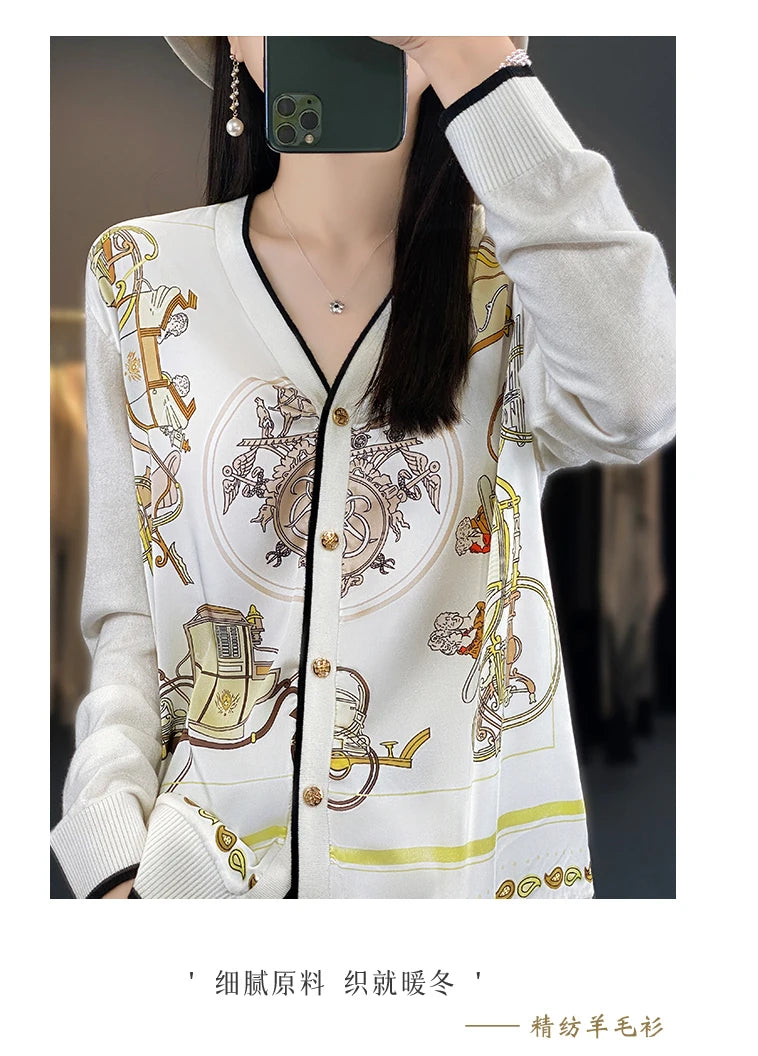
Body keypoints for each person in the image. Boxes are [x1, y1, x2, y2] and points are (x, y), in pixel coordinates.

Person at [50, 35, 675, 899]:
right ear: (230, 36)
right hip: (200, 897)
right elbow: (133, 621)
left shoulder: (522, 286)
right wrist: (110, 859)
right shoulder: (140, 274)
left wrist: (467, 57)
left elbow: (642, 398)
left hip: (465, 906)